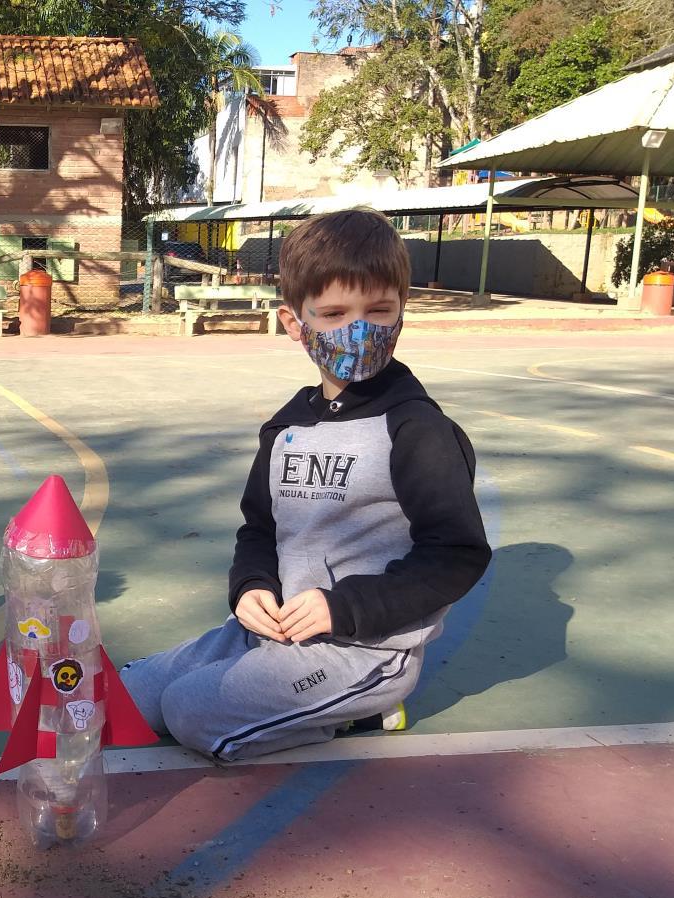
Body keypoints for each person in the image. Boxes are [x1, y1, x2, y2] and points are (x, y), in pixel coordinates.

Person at [121, 209, 490, 761]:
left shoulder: (417, 428)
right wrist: (250, 588)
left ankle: (365, 707)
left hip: (363, 648)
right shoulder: (289, 426)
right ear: (296, 324)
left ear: (400, 314)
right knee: (128, 696)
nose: (359, 329)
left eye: (379, 310)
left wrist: (344, 608)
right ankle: (268, 676)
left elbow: (457, 555)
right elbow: (259, 529)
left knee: (189, 711)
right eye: (335, 313)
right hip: (280, 630)